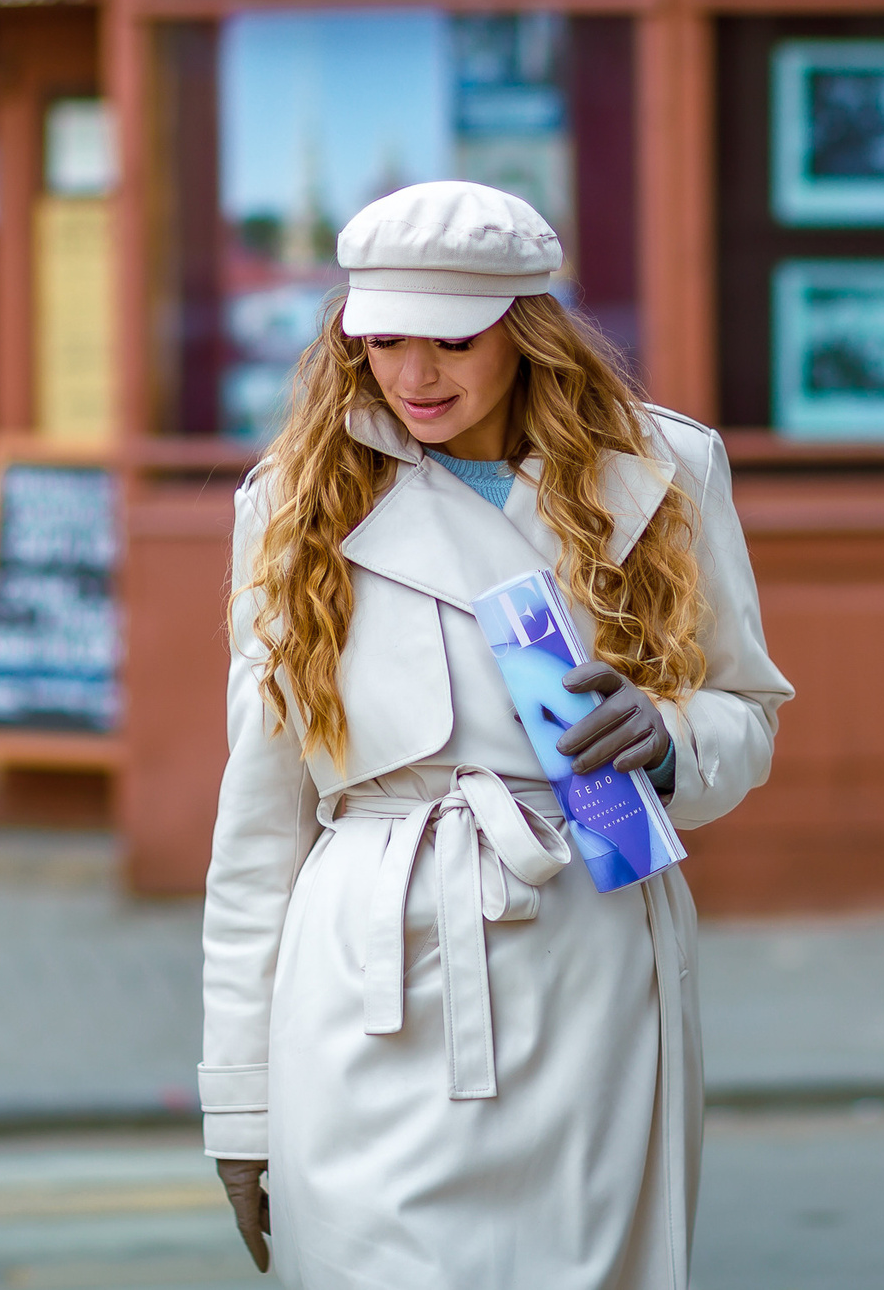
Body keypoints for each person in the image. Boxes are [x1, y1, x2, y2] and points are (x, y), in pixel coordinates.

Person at [200, 180, 792, 1289]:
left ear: (525, 331)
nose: (413, 376)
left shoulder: (665, 470)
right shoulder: (295, 499)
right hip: (367, 978)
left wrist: (664, 741)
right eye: (380, 342)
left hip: (590, 959)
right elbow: (259, 821)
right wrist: (238, 1100)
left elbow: (745, 714)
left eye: (451, 341)